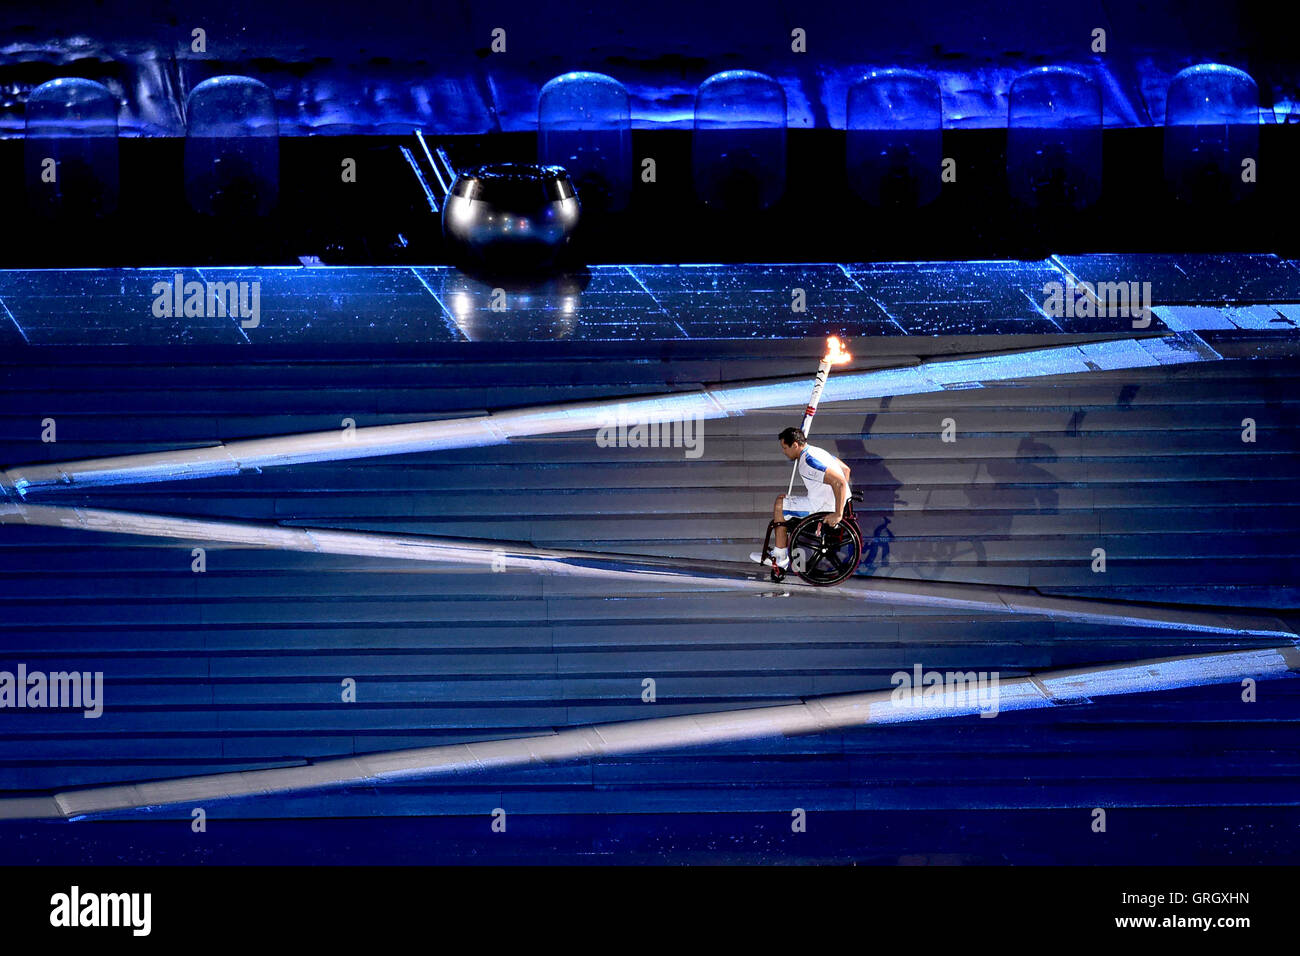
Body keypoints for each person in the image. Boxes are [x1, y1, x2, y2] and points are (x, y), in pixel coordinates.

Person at [750, 426, 852, 570]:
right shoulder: (818, 451)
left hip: (821, 507)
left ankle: (780, 557)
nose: (783, 451)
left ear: (795, 445)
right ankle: (780, 553)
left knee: (780, 505)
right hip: (830, 502)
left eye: (785, 448)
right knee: (782, 498)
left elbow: (839, 482)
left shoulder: (808, 462)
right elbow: (846, 470)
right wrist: (837, 498)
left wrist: (837, 513)